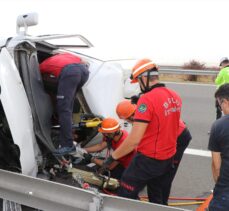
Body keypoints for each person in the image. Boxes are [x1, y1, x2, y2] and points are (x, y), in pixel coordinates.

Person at [100, 58, 182, 204]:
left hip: (149, 159)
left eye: (138, 81)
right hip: (168, 157)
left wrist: (113, 157)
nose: (139, 85)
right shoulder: (175, 95)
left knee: (126, 190)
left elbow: (133, 140)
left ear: (145, 77)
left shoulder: (147, 100)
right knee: (156, 196)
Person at [116, 99, 192, 205]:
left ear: (131, 115)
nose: (129, 122)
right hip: (173, 133)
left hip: (179, 137)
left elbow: (135, 142)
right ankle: (157, 204)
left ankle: (160, 205)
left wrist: (115, 157)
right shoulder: (143, 112)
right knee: (156, 175)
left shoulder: (143, 119)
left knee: (164, 176)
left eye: (128, 120)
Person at [39, 53, 89, 155]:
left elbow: (36, 79)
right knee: (68, 107)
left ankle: (67, 145)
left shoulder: (41, 66)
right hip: (84, 72)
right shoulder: (67, 55)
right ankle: (69, 133)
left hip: (70, 72)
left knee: (64, 109)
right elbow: (85, 62)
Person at [208, 83, 229, 211]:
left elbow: (216, 165)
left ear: (225, 101)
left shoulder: (218, 125)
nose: (220, 109)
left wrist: (219, 185)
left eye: (219, 104)